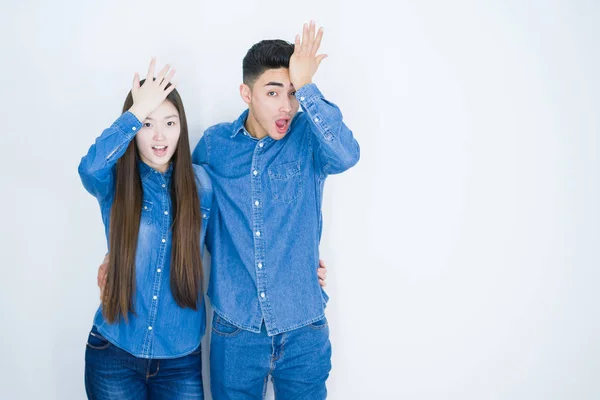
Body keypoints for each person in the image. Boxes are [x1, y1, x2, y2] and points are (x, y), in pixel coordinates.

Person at [192, 21, 360, 399]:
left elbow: (348, 155)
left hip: (303, 325)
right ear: (246, 94)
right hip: (236, 328)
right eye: (272, 92)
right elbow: (185, 211)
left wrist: (309, 87)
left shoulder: (308, 137)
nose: (286, 106)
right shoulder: (214, 146)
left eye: (292, 93)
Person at [79, 59, 211, 399]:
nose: (159, 136)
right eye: (147, 124)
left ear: (181, 127)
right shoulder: (114, 182)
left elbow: (231, 246)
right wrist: (135, 111)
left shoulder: (202, 186)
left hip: (180, 360)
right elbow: (89, 166)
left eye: (169, 123)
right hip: (114, 354)